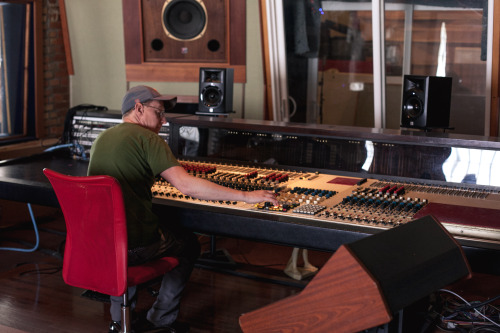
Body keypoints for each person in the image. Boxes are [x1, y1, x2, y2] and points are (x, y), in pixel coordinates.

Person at [87, 85, 278, 333]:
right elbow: (187, 186)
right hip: (134, 246)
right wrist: (245, 195)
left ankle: (119, 319)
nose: (164, 121)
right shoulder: (147, 138)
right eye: (159, 113)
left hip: (97, 244)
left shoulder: (101, 138)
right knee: (188, 244)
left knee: (127, 240)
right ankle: (161, 319)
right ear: (138, 108)